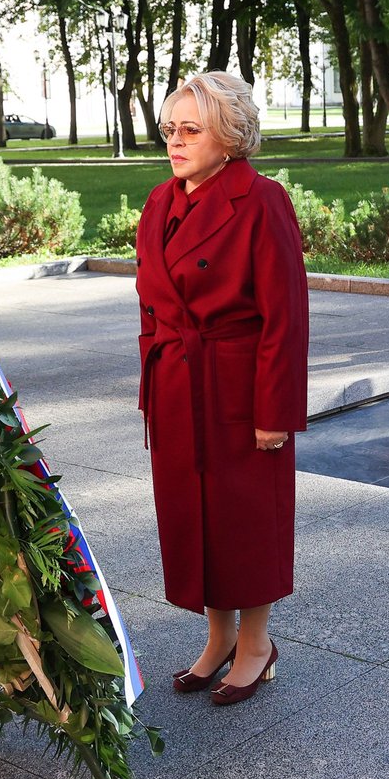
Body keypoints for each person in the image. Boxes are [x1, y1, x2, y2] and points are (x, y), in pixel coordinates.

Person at [135, 71, 309, 706]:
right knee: (193, 520)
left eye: (190, 130)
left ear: (229, 137)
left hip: (239, 386)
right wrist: (150, 381)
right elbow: (149, 304)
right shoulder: (161, 201)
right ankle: (217, 639)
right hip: (178, 384)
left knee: (244, 521)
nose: (175, 142)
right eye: (170, 130)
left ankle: (257, 645)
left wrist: (275, 412)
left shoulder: (261, 200)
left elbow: (285, 316)